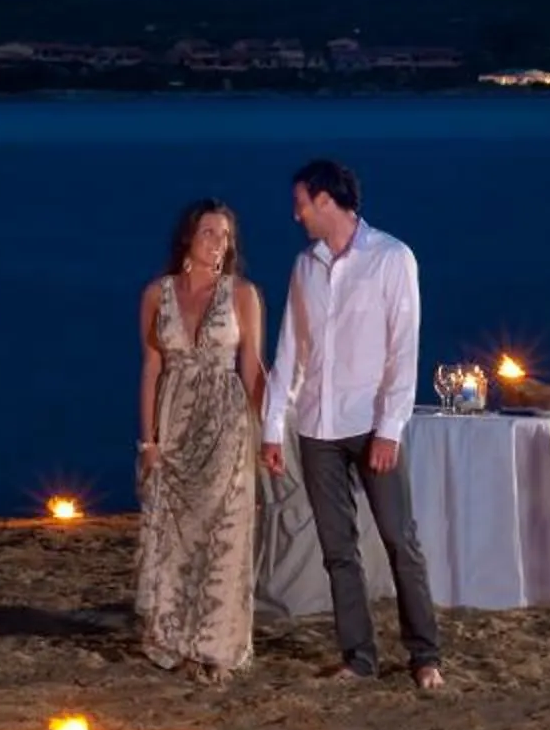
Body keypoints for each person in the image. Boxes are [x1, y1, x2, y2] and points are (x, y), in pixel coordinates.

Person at [261, 158, 442, 691]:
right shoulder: (305, 266)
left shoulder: (391, 258)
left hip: (370, 422)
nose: (296, 214)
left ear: (325, 201)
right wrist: (273, 426)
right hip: (317, 426)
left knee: (399, 539)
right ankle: (359, 657)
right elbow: (290, 350)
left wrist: (390, 428)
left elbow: (403, 349)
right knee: (338, 550)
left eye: (301, 203)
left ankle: (425, 655)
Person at [133, 198, 264, 679]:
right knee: (175, 533)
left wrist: (270, 433)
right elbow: (151, 369)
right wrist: (149, 441)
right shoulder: (157, 293)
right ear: (188, 236)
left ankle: (216, 648)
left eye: (225, 235)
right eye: (209, 232)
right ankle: (174, 640)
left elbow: (252, 368)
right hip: (175, 420)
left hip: (225, 421)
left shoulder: (242, 294)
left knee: (221, 529)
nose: (218, 243)